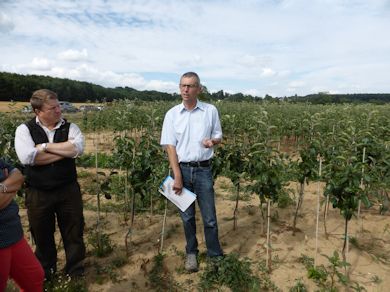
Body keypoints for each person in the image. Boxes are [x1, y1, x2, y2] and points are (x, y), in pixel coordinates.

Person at [14, 89, 85, 280]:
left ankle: (75, 271)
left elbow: (76, 149)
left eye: (59, 106)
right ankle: (46, 273)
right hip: (38, 192)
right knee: (42, 233)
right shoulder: (24, 130)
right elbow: (28, 157)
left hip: (68, 189)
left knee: (74, 231)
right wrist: (63, 152)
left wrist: (44, 147)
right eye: (53, 108)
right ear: (38, 111)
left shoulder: (71, 127)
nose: (59, 110)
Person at [160, 72, 224, 272]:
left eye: (190, 86)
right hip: (183, 171)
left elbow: (218, 135)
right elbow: (170, 147)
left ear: (199, 89)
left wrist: (212, 141)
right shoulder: (172, 114)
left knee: (209, 217)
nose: (186, 90)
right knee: (186, 217)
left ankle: (214, 255)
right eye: (183, 86)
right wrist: (177, 175)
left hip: (203, 169)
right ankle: (191, 253)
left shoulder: (210, 111)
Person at [0, 158, 44, 291]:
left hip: (13, 233)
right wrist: (9, 187)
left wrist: (3, 188)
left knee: (34, 277)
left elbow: (18, 177)